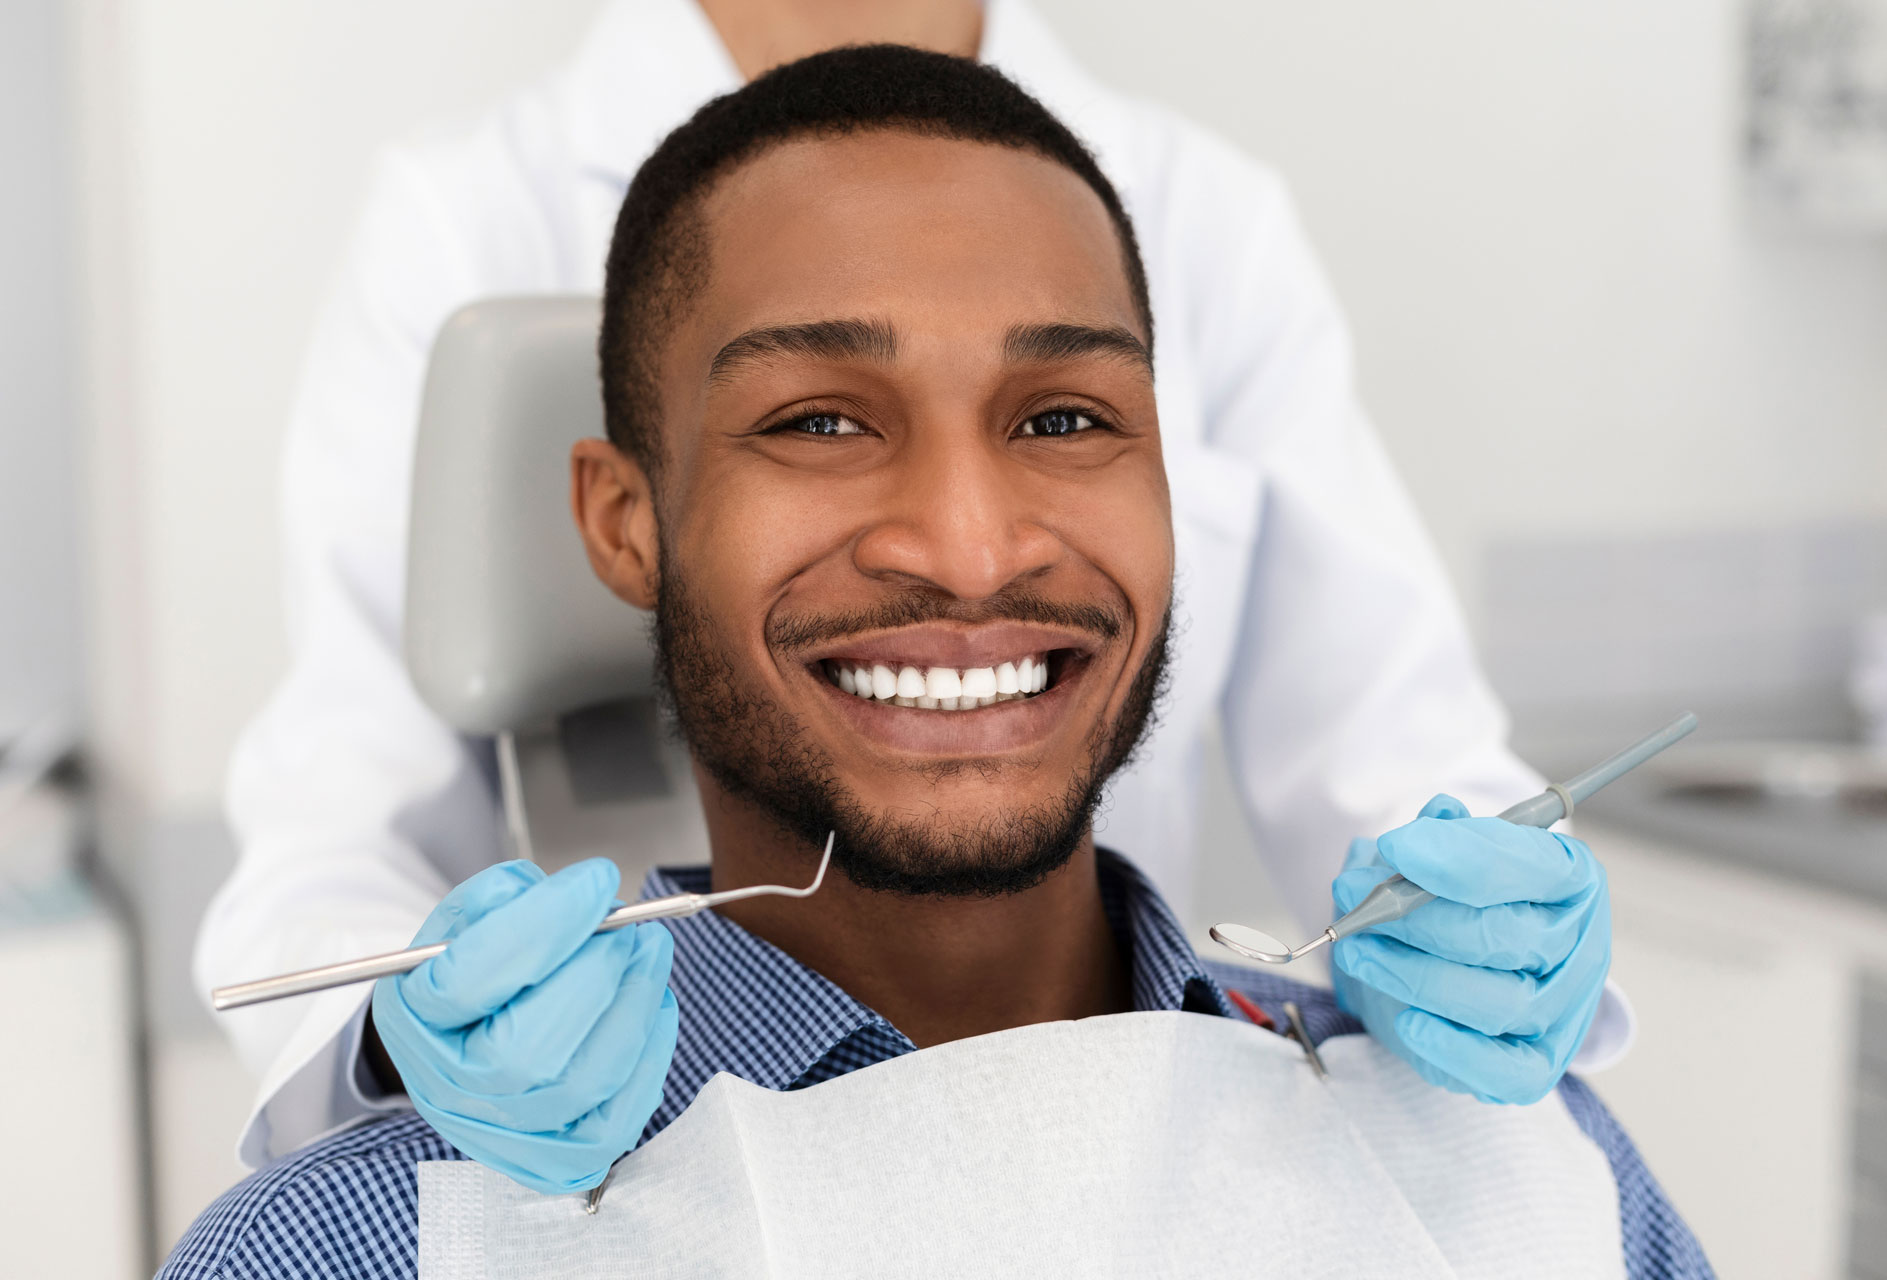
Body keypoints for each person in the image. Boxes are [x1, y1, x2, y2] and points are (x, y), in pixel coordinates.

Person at [163, 50, 1708, 1279]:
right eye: (819, 422)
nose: (971, 549)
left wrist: (1483, 941)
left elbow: (1397, 734)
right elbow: (338, 802)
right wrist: (404, 1043)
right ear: (623, 522)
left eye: (1065, 418)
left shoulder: (1529, 1190)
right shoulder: (369, 1248)